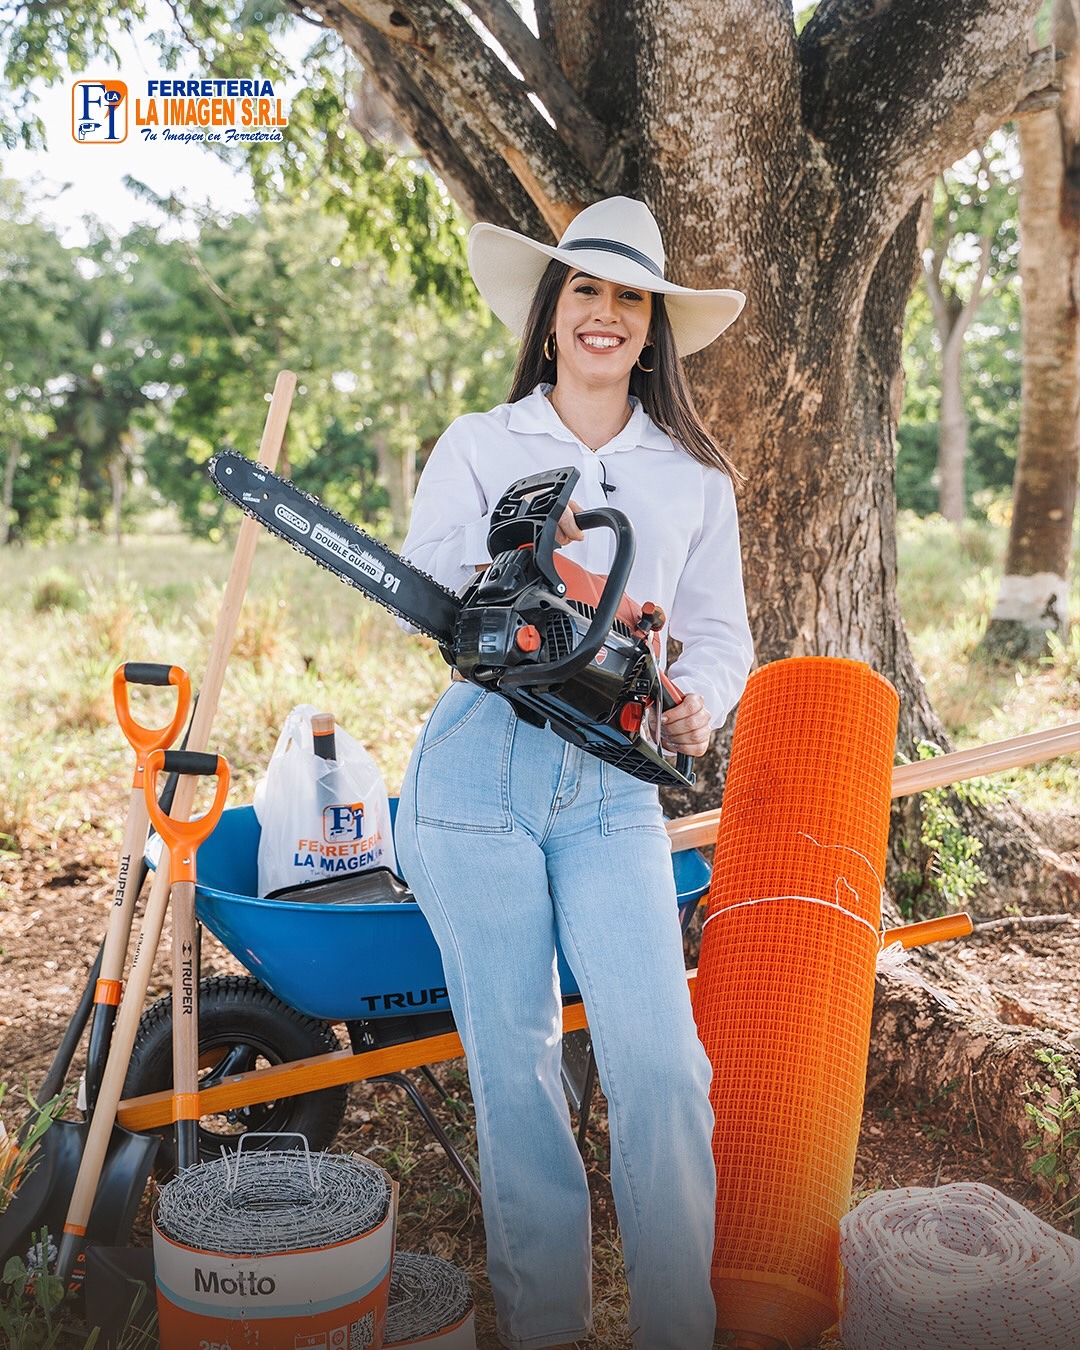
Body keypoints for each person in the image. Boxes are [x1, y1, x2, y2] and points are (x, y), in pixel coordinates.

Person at [394, 196, 754, 1350]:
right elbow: (438, 585)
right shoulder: (480, 445)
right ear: (551, 314)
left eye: (627, 298)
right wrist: (560, 586)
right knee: (519, 1073)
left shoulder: (694, 479)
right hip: (479, 773)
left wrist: (698, 697)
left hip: (610, 788)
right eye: (583, 291)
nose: (604, 315)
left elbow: (721, 634)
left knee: (661, 1063)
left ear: (652, 328)